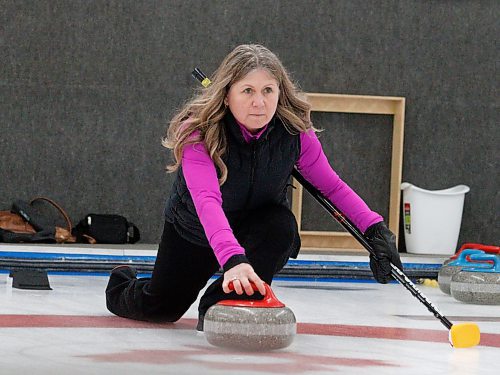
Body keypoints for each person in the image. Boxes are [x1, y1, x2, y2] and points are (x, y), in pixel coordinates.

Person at [105, 44, 403, 330]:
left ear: (279, 93)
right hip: (195, 231)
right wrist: (233, 259)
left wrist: (375, 229)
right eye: (247, 91)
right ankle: (121, 281)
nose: (259, 103)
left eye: (268, 91)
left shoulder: (295, 133)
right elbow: (207, 200)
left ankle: (220, 303)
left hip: (256, 229)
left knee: (281, 226)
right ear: (226, 95)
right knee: (161, 309)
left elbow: (331, 187)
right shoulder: (198, 133)